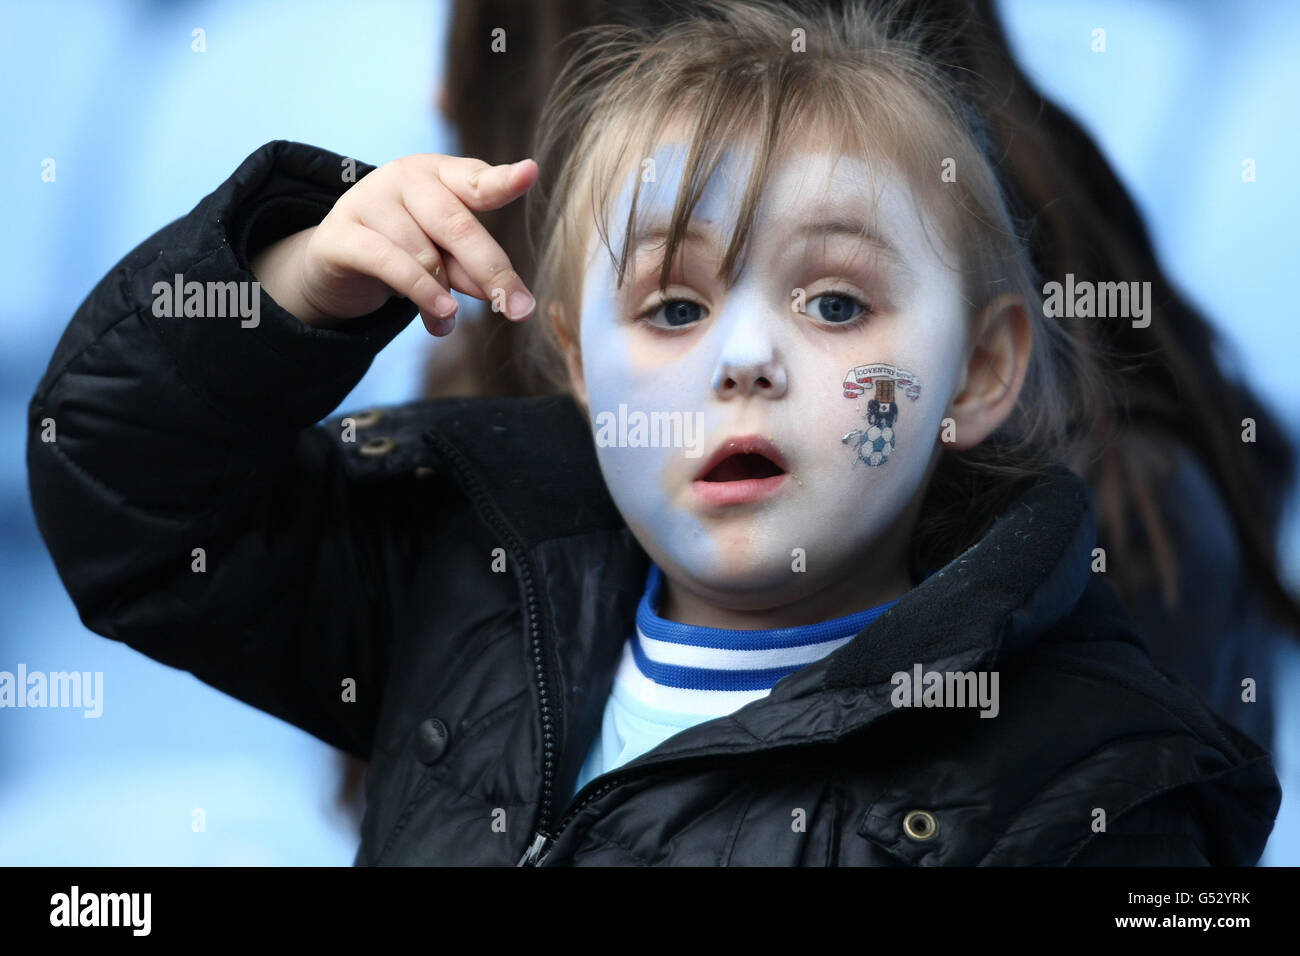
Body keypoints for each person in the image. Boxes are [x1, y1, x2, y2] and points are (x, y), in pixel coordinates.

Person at [27, 0, 1279, 865]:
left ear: (983, 365)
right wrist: (292, 273)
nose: (744, 356)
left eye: (834, 301)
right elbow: (132, 495)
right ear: (575, 361)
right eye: (674, 305)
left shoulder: (1091, 776)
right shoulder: (467, 580)